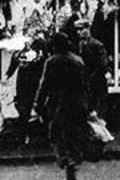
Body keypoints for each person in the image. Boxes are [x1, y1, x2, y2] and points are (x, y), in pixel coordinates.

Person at [35, 32, 89, 180]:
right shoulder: (78, 61)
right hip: (77, 103)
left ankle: (64, 159)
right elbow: (85, 85)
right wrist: (88, 106)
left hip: (58, 103)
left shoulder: (51, 62)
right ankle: (73, 162)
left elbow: (44, 85)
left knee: (56, 132)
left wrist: (38, 104)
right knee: (74, 134)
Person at [76, 18, 108, 118]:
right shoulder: (80, 45)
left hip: (96, 84)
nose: (78, 32)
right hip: (85, 85)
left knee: (97, 115)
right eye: (77, 30)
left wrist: (91, 77)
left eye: (81, 29)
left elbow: (102, 66)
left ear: (87, 29)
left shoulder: (97, 45)